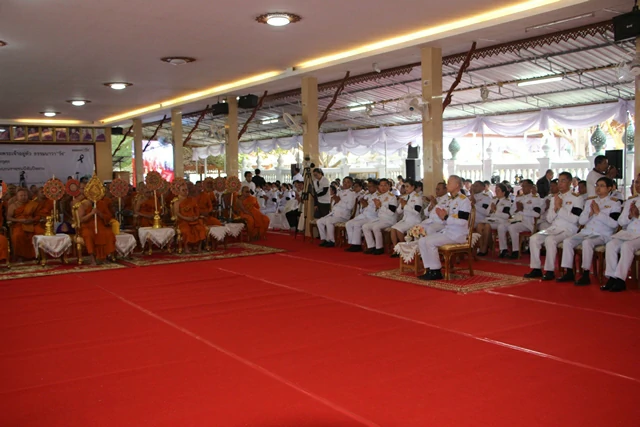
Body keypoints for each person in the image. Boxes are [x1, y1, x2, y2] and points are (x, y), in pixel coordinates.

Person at [557, 177, 621, 285]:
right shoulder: (590, 201)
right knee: (568, 241)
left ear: (609, 188)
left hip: (602, 234)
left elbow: (614, 224)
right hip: (586, 232)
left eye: (602, 186)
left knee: (587, 243)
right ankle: (569, 271)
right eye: (597, 185)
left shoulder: (614, 203)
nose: (598, 188)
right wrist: (590, 214)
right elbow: (581, 221)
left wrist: (598, 213)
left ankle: (586, 274)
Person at [525, 172, 584, 281]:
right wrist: (555, 208)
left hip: (568, 228)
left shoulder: (577, 198)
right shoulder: (554, 198)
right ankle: (536, 268)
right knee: (534, 238)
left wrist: (560, 208)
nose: (560, 183)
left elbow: (575, 219)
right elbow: (549, 219)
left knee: (550, 240)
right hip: (554, 228)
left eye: (563, 181)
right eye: (559, 181)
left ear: (570, 182)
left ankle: (549, 270)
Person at [417, 175, 471, 280]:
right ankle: (428, 269)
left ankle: (436, 271)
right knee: (422, 240)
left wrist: (445, 217)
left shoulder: (463, 201)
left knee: (430, 242)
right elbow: (444, 218)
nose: (447, 185)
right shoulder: (450, 200)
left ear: (456, 185)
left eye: (449, 183)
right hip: (448, 231)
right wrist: (442, 216)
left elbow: (463, 222)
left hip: (457, 234)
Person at [602, 175, 640, 292]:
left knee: (626, 246)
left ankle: (620, 279)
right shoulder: (631, 200)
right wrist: (629, 216)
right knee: (611, 244)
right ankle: (611, 277)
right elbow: (621, 221)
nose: (637, 185)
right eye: (636, 182)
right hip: (629, 233)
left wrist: (638, 216)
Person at [497, 179, 542, 259]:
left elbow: (537, 214)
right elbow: (511, 211)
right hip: (516, 220)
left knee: (512, 228)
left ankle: (516, 251)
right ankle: (503, 249)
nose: (522, 188)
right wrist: (517, 210)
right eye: (522, 186)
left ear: (530, 187)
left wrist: (522, 210)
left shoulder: (535, 199)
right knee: (501, 227)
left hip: (527, 223)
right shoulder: (518, 198)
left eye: (524, 186)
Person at [317, 177, 356, 247]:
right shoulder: (340, 192)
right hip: (334, 214)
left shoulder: (352, 194)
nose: (345, 183)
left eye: (347, 182)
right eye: (344, 182)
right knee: (319, 221)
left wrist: (339, 201)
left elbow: (350, 207)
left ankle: (332, 241)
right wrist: (335, 201)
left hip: (343, 215)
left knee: (329, 221)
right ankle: (325, 239)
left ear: (351, 184)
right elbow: (334, 204)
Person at [362, 179, 398, 255]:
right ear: (378, 186)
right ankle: (371, 246)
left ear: (389, 186)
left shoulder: (392, 197)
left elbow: (391, 212)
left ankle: (379, 248)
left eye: (385, 185)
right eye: (381, 185)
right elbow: (377, 210)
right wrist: (377, 206)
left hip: (389, 219)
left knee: (376, 227)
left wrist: (380, 206)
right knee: (365, 226)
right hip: (380, 219)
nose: (383, 187)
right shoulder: (379, 196)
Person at [476, 183, 511, 256]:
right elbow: (486, 212)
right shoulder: (493, 200)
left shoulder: (507, 201)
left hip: (500, 221)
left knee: (487, 226)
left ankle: (484, 249)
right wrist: (491, 211)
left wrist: (495, 211)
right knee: (479, 225)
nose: (496, 192)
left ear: (503, 192)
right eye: (496, 190)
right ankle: (482, 247)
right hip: (490, 219)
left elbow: (506, 216)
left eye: (498, 190)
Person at [344, 180, 379, 252]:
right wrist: (363, 206)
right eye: (368, 186)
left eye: (370, 186)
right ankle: (352, 243)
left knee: (357, 224)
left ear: (375, 187)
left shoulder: (378, 195)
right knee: (349, 223)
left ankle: (357, 245)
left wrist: (366, 205)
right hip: (364, 215)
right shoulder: (367, 195)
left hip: (372, 216)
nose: (368, 188)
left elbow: (376, 209)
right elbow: (362, 208)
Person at [390, 179, 423, 252]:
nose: (406, 188)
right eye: (405, 186)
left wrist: (405, 206)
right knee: (393, 228)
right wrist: (402, 206)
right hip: (405, 220)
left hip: (414, 220)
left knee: (399, 229)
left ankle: (405, 248)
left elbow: (417, 212)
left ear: (413, 187)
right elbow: (398, 211)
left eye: (407, 186)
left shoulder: (417, 197)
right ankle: (396, 249)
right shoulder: (405, 197)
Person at [174, 184, 207, 253]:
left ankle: (199, 248)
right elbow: (177, 213)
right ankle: (186, 248)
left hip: (194, 220)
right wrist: (186, 218)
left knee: (201, 229)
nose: (185, 192)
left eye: (186, 190)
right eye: (183, 190)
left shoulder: (192, 200)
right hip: (183, 221)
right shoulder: (177, 202)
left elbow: (196, 210)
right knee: (186, 230)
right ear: (179, 191)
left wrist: (196, 217)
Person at [7, 188, 37, 260]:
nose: (23, 197)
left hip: (31, 224)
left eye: (25, 195)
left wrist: (32, 220)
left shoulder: (32, 204)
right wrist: (19, 220)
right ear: (17, 197)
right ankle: (20, 256)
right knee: (17, 236)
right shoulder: (13, 205)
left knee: (37, 234)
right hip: (18, 225)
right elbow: (8, 217)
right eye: (21, 195)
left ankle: (35, 255)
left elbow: (37, 216)